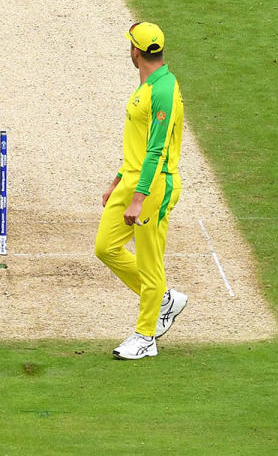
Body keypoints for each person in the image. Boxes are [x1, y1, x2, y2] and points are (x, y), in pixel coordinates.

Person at [94, 22, 187, 360]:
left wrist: (138, 198)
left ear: (136, 51)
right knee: (105, 247)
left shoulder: (163, 90)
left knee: (150, 265)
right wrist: (118, 180)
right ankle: (163, 299)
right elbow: (137, 143)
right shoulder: (147, 85)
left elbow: (156, 150)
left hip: (154, 186)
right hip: (133, 180)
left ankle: (146, 337)